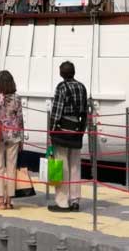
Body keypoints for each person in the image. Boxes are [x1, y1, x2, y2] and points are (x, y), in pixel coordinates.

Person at [47, 60, 88, 212]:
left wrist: (51, 131)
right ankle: (75, 200)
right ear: (73, 72)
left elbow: (57, 111)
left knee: (62, 164)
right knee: (75, 165)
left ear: (61, 73)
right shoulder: (81, 87)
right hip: (77, 130)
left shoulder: (62, 87)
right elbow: (85, 110)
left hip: (63, 130)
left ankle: (63, 202)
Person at [0, 69, 25, 209]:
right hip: (14, 135)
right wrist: (22, 138)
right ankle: (9, 200)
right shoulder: (17, 98)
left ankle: (0, 200)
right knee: (11, 167)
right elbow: (21, 118)